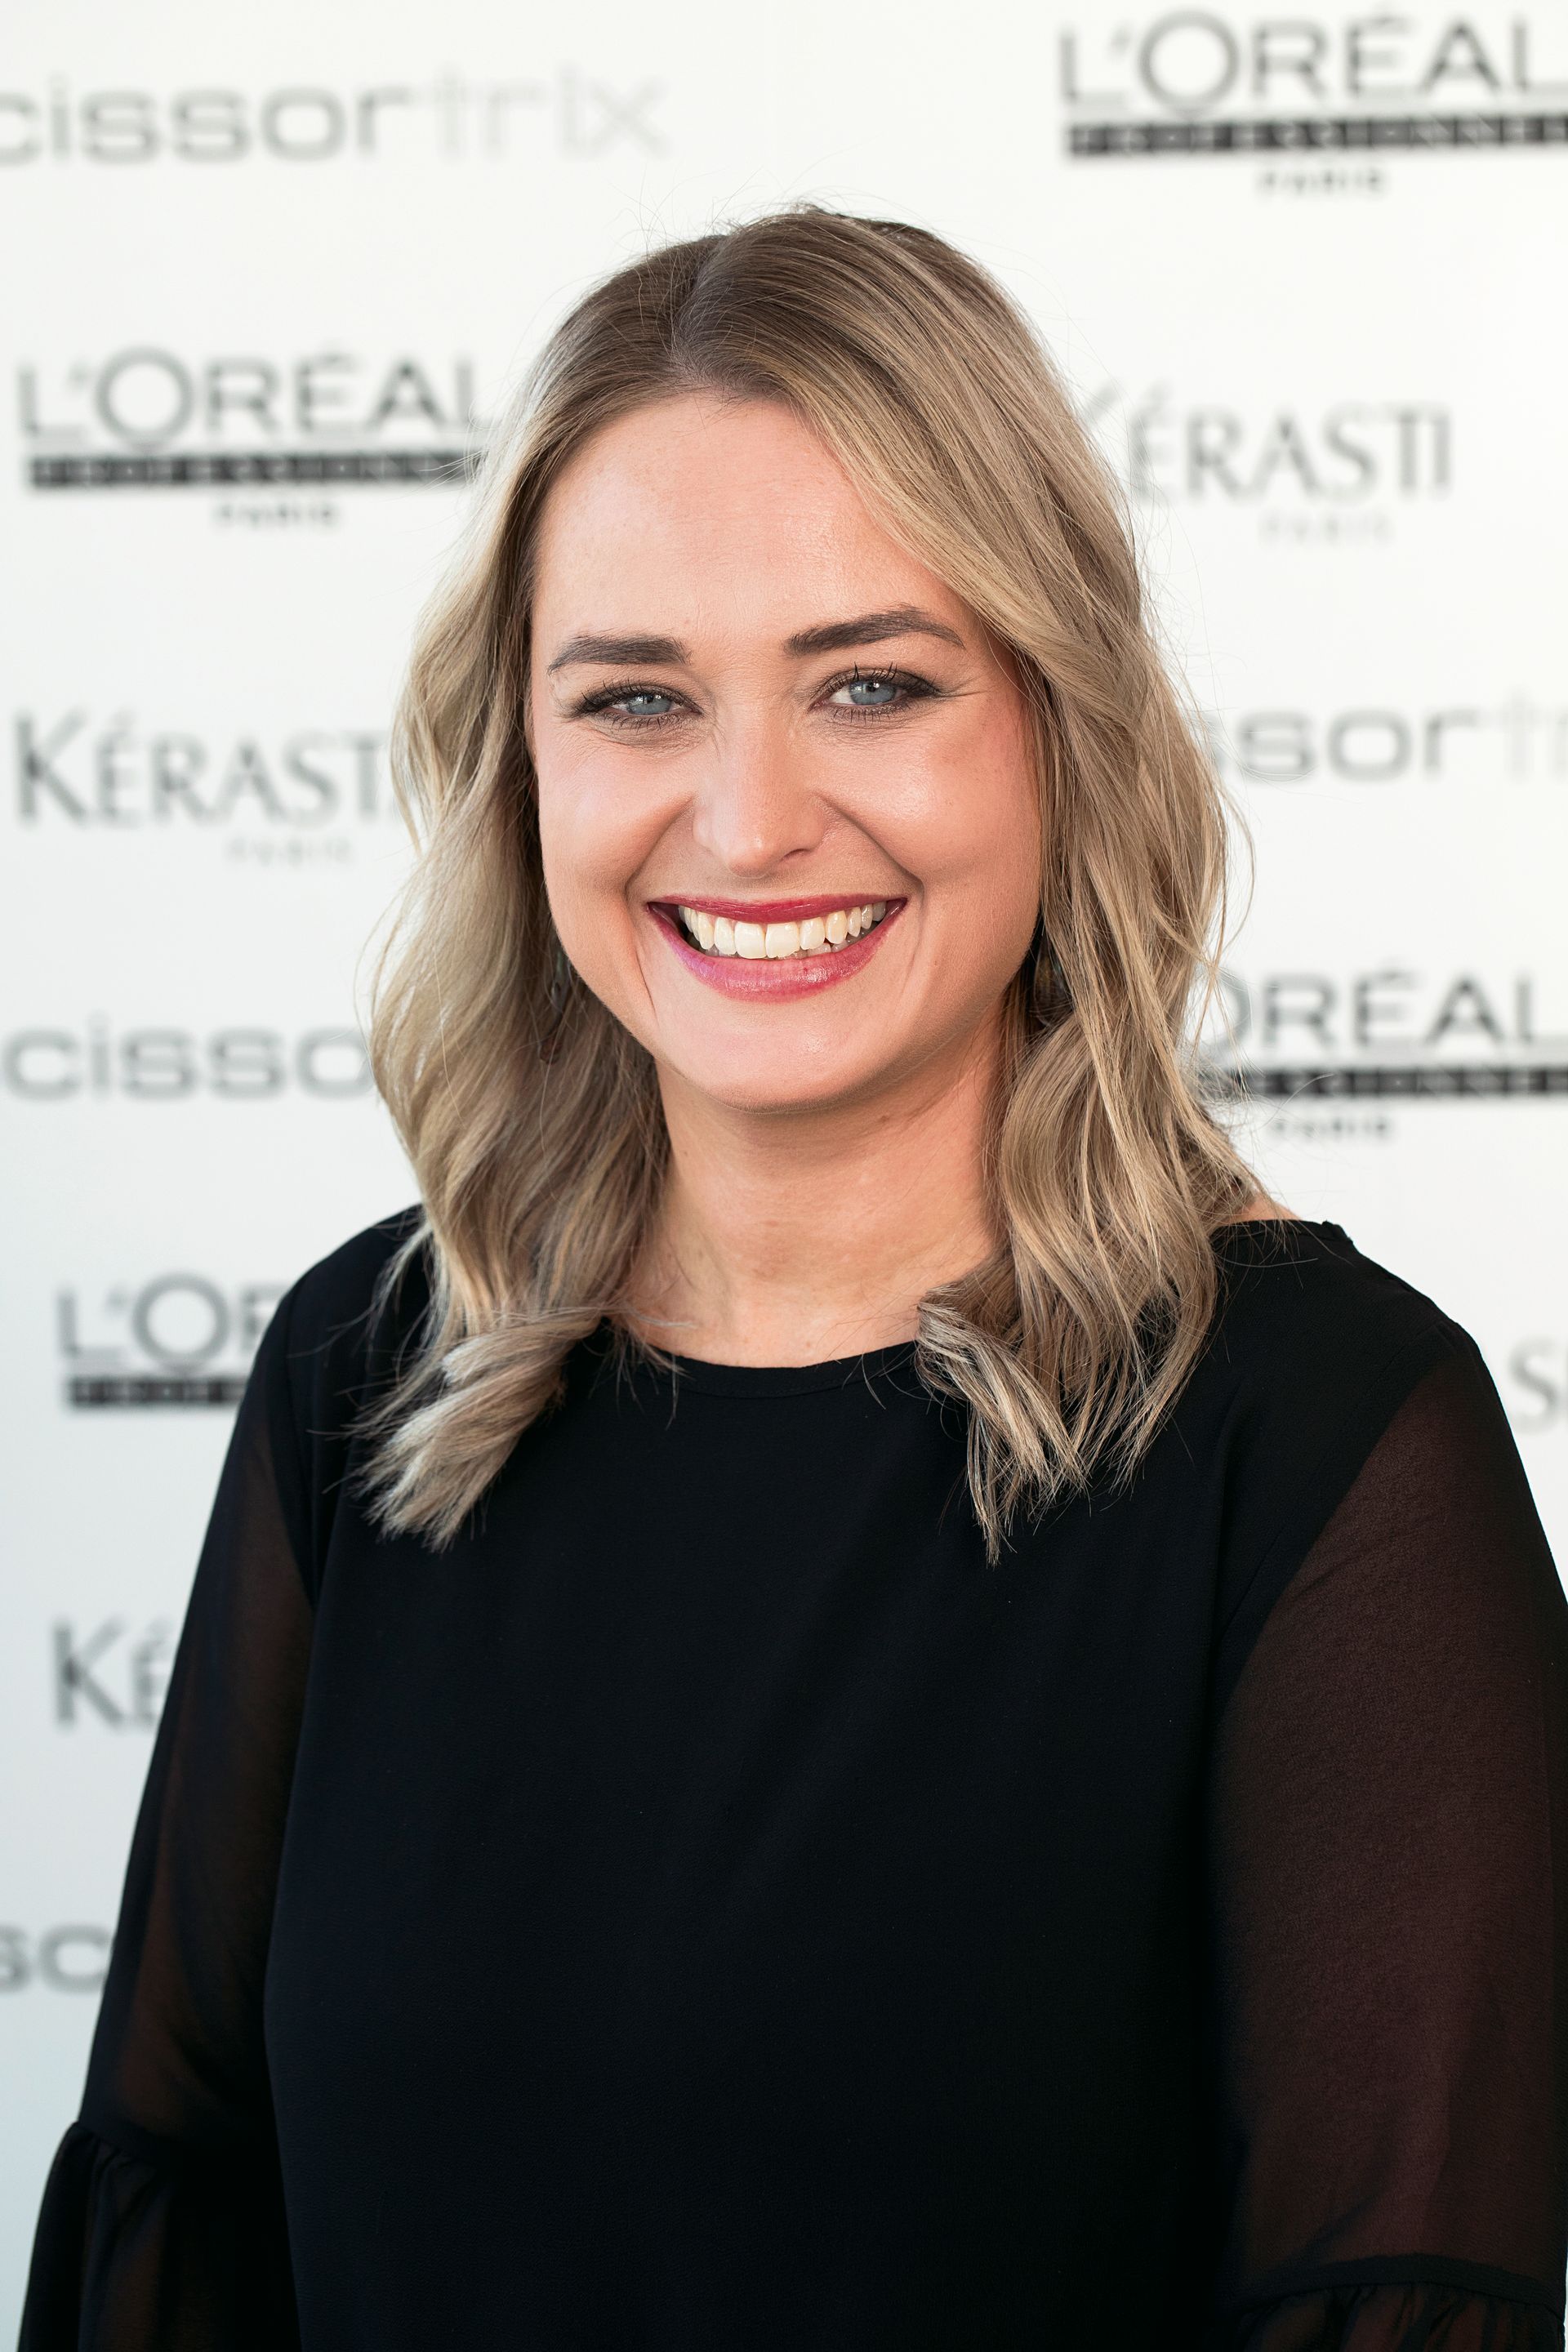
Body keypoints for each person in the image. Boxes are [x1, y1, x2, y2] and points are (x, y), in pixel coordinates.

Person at [18, 205, 1568, 2352]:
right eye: (638, 697)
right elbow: (175, 2219)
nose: (747, 822)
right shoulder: (360, 1380)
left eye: (873, 683)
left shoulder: (1323, 1451)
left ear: (1058, 719)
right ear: (525, 767)